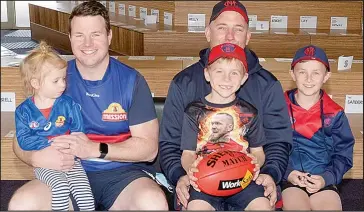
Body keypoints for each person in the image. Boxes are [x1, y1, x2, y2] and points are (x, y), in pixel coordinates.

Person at [9, 1, 168, 210]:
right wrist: (36, 156)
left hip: (121, 174)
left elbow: (148, 149)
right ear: (69, 38)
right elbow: (20, 139)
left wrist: (94, 149)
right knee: (22, 204)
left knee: (153, 204)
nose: (87, 43)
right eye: (79, 35)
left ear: (109, 36)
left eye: (95, 34)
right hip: (66, 171)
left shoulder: (131, 81)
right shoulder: (56, 79)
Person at [159, 0, 292, 209]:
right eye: (222, 28)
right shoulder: (183, 82)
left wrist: (270, 173)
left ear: (248, 37)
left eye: (238, 29)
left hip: (250, 181)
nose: (230, 36)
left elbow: (278, 141)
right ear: (207, 33)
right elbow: (170, 144)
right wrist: (180, 176)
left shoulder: (268, 84)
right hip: (200, 183)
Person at [180, 43, 269, 210]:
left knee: (263, 206)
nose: (226, 79)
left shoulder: (250, 112)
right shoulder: (193, 112)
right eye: (219, 71)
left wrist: (256, 163)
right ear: (207, 74)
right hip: (206, 180)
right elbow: (187, 154)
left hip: (242, 178)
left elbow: (258, 152)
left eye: (234, 73)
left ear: (244, 78)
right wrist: (191, 170)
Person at [15, 41, 95, 211]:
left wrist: (70, 144)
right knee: (59, 188)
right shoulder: (23, 111)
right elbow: (23, 139)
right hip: (45, 162)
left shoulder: (68, 104)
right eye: (56, 81)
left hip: (71, 159)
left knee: (86, 196)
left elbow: (78, 130)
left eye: (64, 79)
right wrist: (49, 145)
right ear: (36, 83)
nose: (63, 85)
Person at [281, 45, 354, 210]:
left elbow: (344, 154)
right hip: (290, 178)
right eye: (302, 72)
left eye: (316, 73)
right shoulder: (279, 108)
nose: (309, 79)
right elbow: (271, 147)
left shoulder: (335, 114)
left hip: (323, 179)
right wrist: (288, 173)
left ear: (326, 76)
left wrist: (326, 178)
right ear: (292, 74)